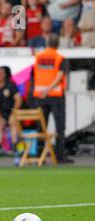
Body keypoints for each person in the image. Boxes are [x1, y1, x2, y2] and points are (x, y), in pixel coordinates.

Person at [32, 33, 72, 163]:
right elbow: (59, 76)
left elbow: (35, 75)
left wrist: (43, 91)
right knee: (60, 126)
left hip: (40, 96)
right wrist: (48, 89)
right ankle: (60, 156)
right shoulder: (60, 58)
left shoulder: (38, 57)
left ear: (47, 43)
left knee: (41, 126)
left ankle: (39, 154)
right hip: (56, 96)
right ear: (58, 44)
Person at [0, 67, 22, 155]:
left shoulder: (10, 85)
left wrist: (14, 112)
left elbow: (18, 100)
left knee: (12, 121)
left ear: (4, 75)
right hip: (1, 112)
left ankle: (14, 145)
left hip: (13, 111)